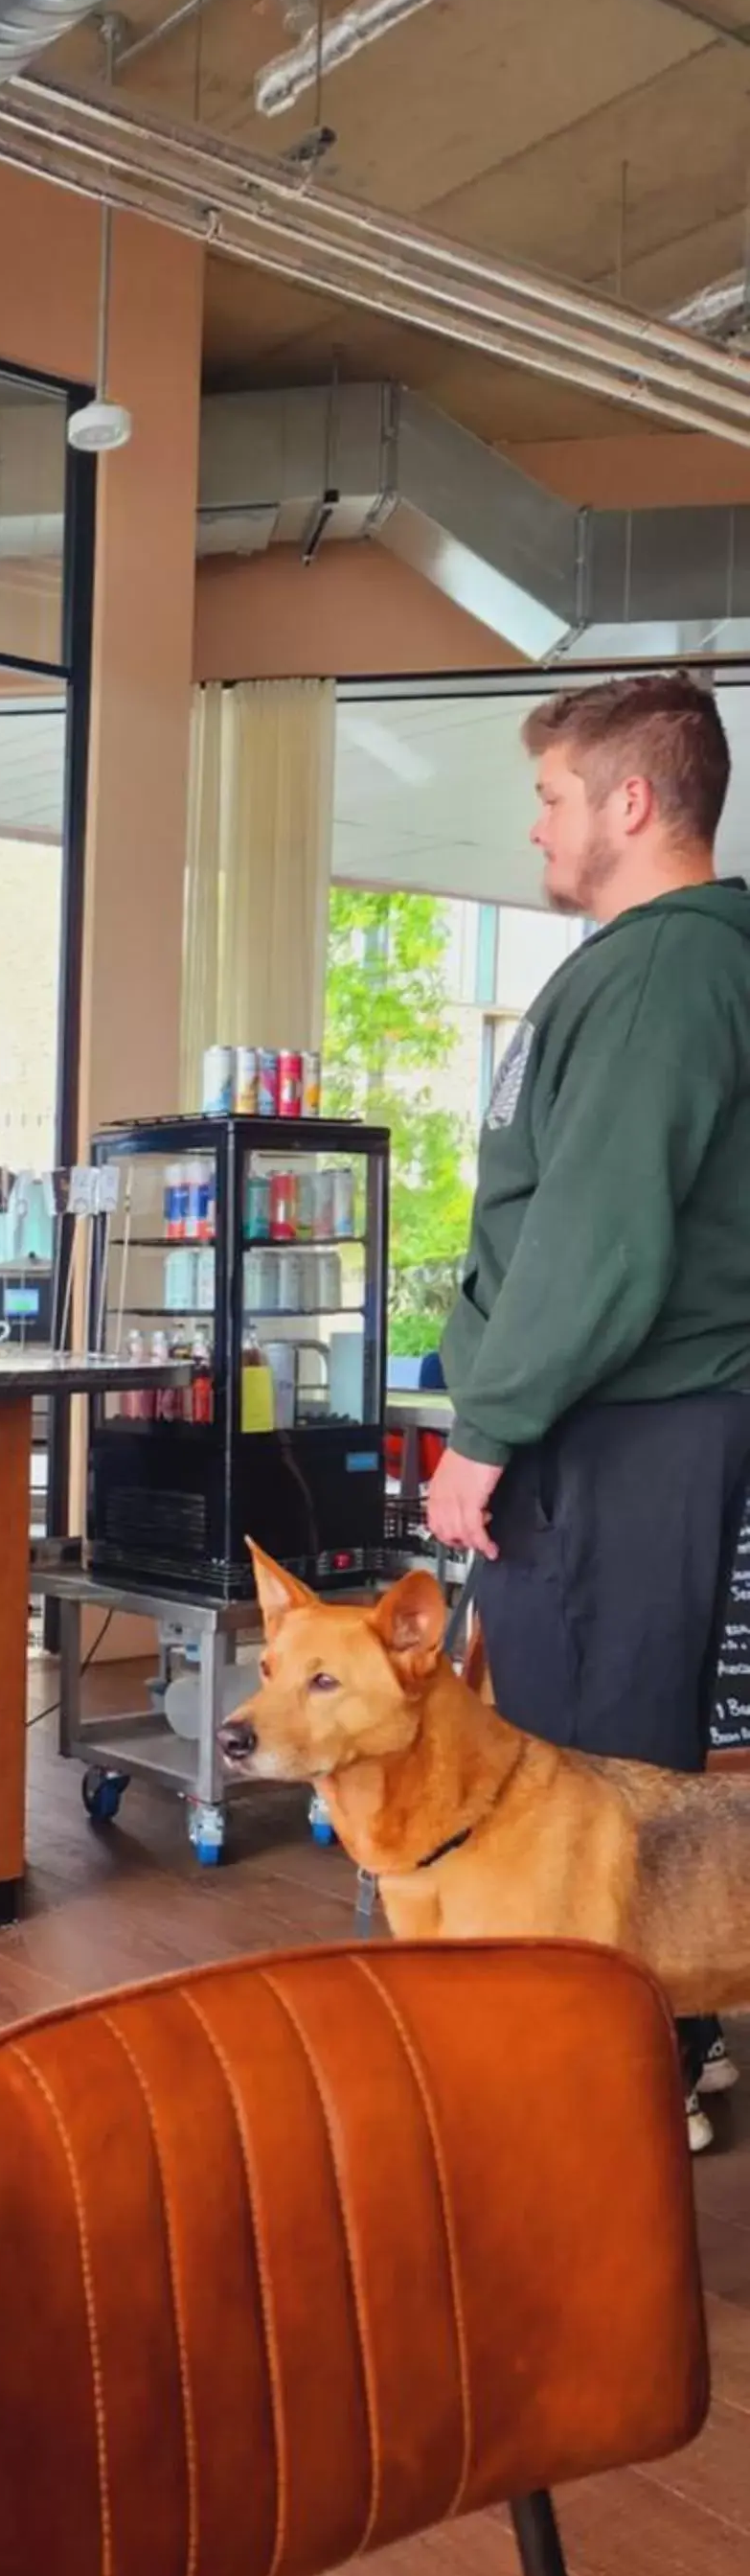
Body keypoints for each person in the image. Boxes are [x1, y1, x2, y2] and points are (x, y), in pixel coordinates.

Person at [424, 672, 750, 2150]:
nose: (537, 827)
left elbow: (597, 1238)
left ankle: (612, 2094)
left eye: (553, 798)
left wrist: (481, 1432)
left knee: (593, 1772)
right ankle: (641, 2045)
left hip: (619, 1426)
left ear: (629, 802)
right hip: (620, 1421)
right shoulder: (654, 967)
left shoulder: (663, 968)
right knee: (599, 1753)